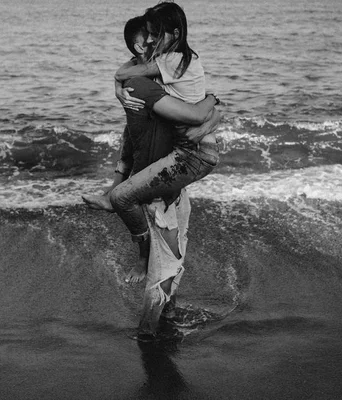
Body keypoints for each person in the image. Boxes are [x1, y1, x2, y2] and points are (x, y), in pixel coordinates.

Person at [84, 16, 221, 338]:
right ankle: (159, 326)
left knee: (168, 258)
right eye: (147, 39)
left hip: (170, 175)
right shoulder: (144, 84)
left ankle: (154, 331)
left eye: (156, 37)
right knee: (168, 258)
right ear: (136, 45)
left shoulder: (161, 78)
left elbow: (196, 114)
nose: (153, 44)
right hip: (162, 179)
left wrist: (211, 110)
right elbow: (134, 135)